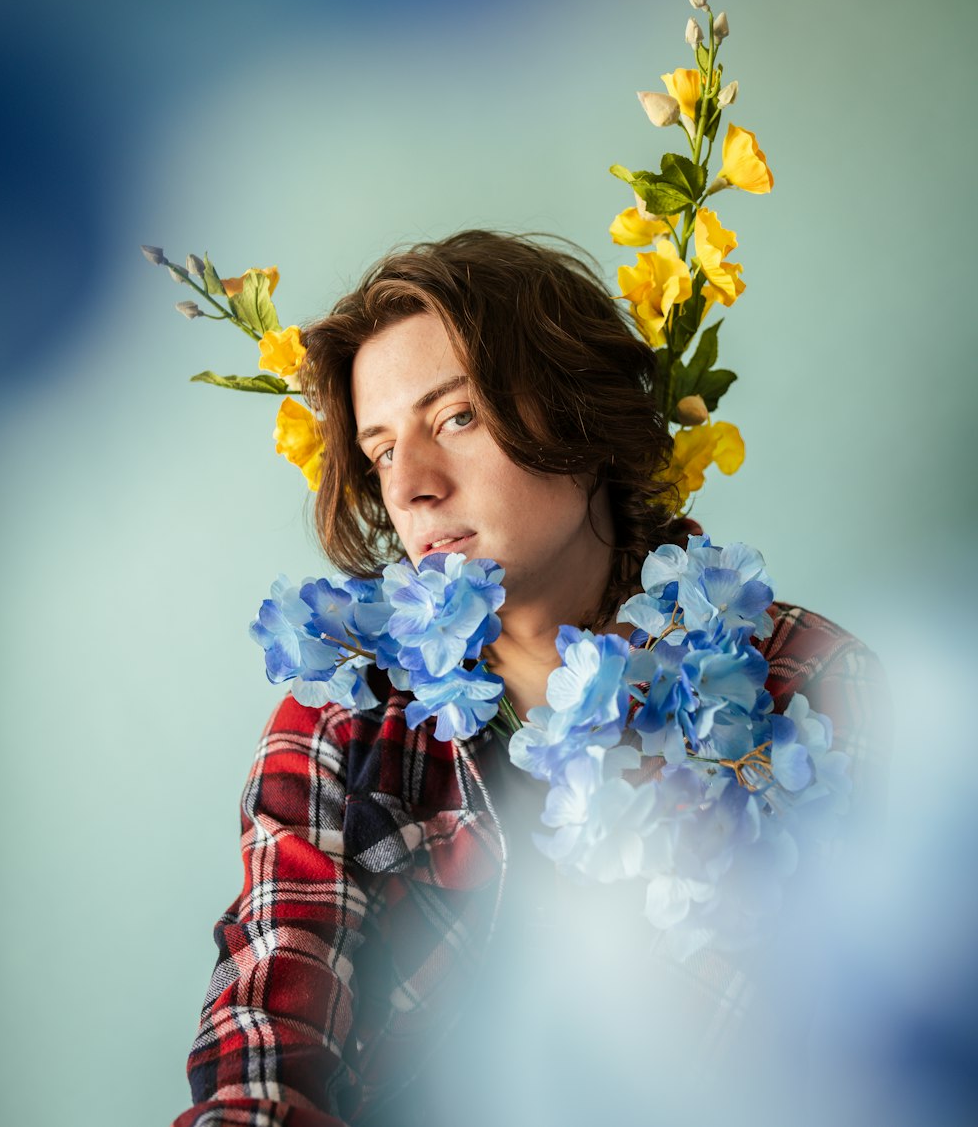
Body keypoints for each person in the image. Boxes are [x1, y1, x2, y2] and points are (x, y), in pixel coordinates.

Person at [171, 231, 884, 1127]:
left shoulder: (805, 683)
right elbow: (269, 1008)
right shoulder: (343, 724)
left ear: (579, 414)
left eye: (456, 417)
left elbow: (868, 1039)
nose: (413, 488)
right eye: (383, 449)